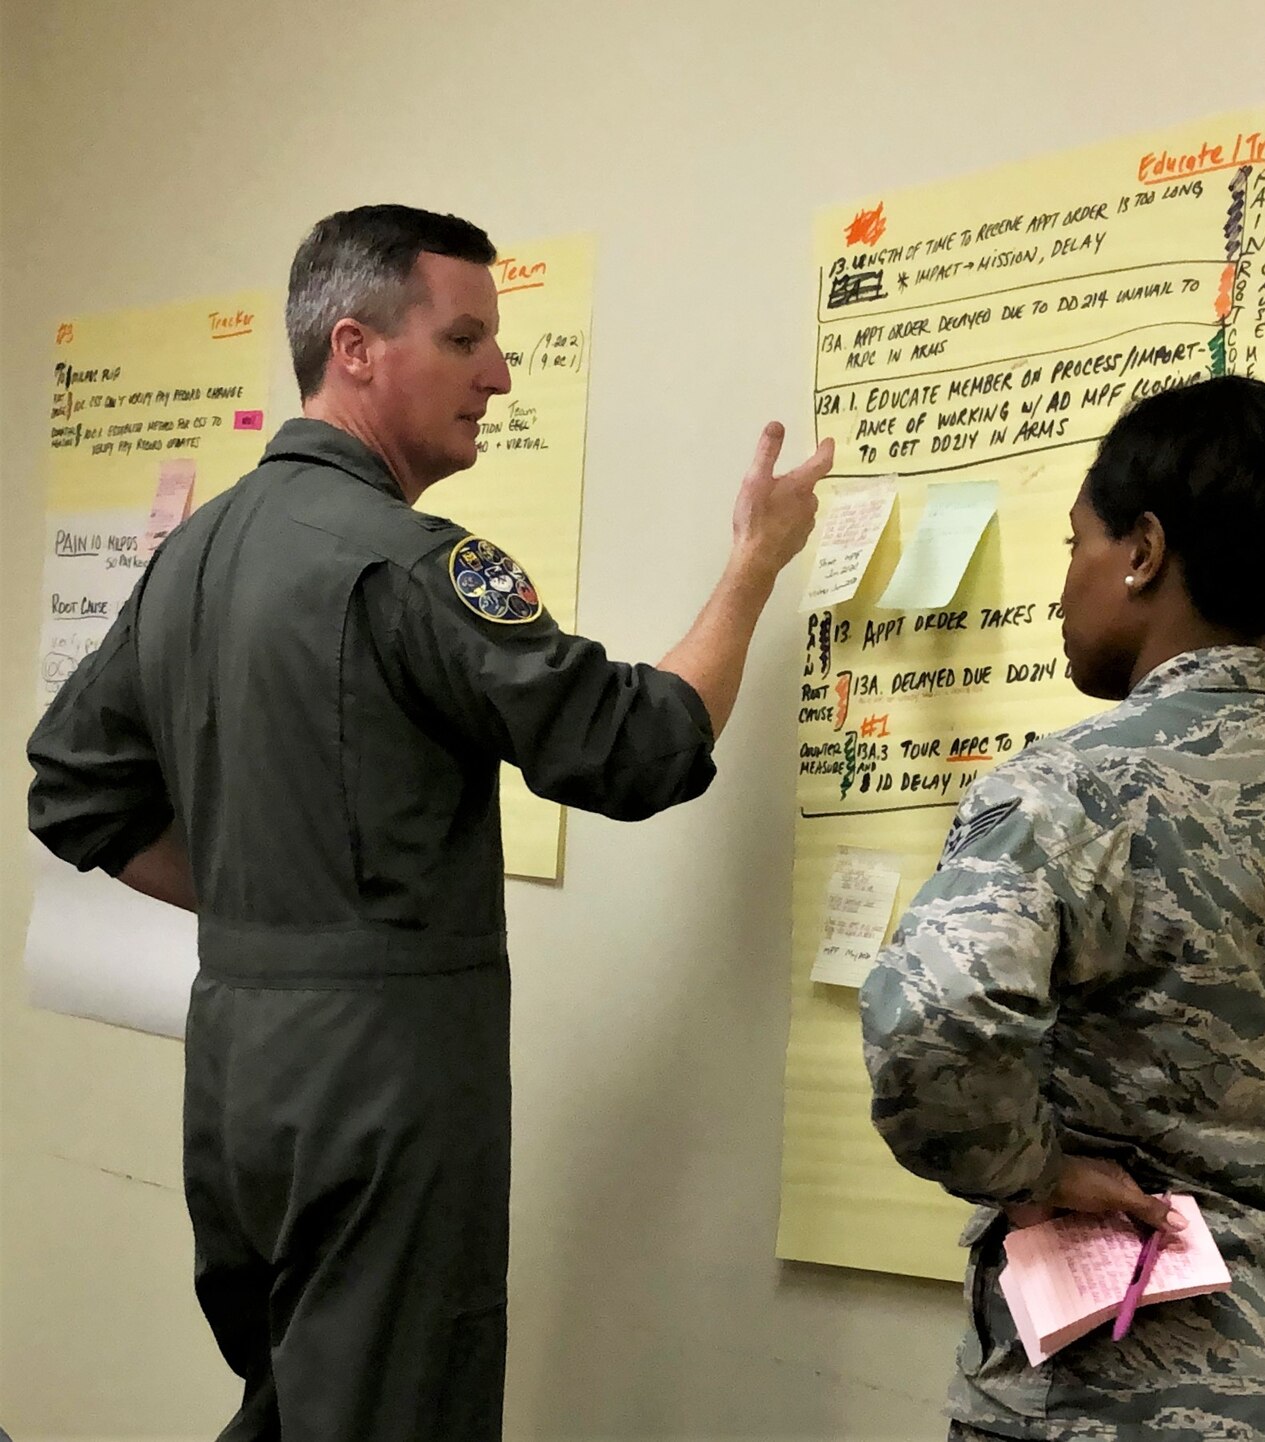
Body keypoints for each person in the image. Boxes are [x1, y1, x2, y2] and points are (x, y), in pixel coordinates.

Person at [25, 204, 830, 1441]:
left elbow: (73, 784)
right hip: (381, 1080)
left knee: (295, 1399)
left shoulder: (196, 551)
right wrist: (752, 566)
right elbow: (637, 745)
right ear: (355, 347)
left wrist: (256, 896)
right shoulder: (407, 562)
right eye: (465, 340)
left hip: (239, 1066)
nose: (499, 375)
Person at [860, 375, 1265, 1442]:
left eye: (1077, 544)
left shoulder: (1064, 789)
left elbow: (931, 1020)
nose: (1061, 586)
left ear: (1143, 551)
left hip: (1106, 1378)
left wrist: (1031, 1171)